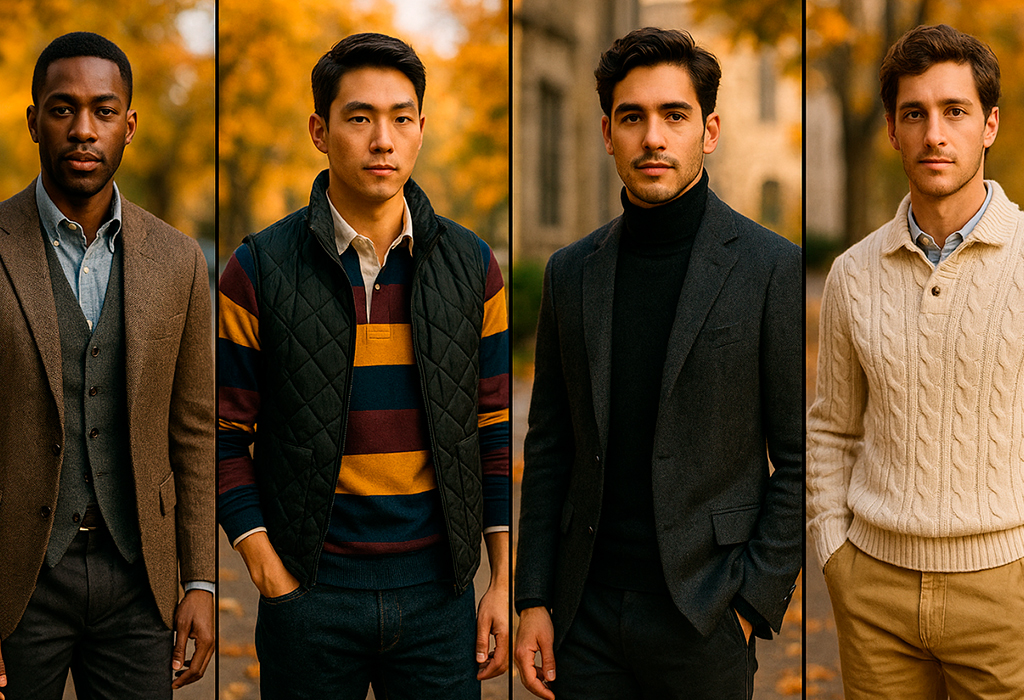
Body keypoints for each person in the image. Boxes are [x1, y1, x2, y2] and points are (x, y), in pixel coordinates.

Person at [217, 32, 510, 699]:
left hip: (439, 602)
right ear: (320, 132)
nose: (383, 140)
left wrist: (500, 580)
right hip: (310, 602)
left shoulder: (474, 268)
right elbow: (224, 437)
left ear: (421, 129)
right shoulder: (257, 269)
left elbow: (492, 430)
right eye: (360, 118)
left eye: (401, 119)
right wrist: (269, 575)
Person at [513, 27, 802, 700]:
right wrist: (534, 598)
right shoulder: (569, 273)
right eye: (632, 117)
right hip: (584, 618)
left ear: (709, 130)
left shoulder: (770, 268)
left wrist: (750, 602)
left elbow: (799, 459)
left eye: (674, 115)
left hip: (706, 618)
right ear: (607, 133)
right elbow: (550, 446)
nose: (652, 138)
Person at [807, 23, 1024, 699]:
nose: (935, 134)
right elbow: (831, 429)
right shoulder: (852, 274)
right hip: (874, 593)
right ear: (893, 131)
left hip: (1005, 591)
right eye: (914, 114)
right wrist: (835, 553)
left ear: (989, 125)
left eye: (955, 111)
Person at [0, 31, 215, 700]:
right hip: (15, 582)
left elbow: (195, 432)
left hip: (138, 580)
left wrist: (200, 580)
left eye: (103, 110)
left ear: (130, 124)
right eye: (63, 109)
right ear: (33, 119)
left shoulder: (180, 260)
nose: (83, 130)